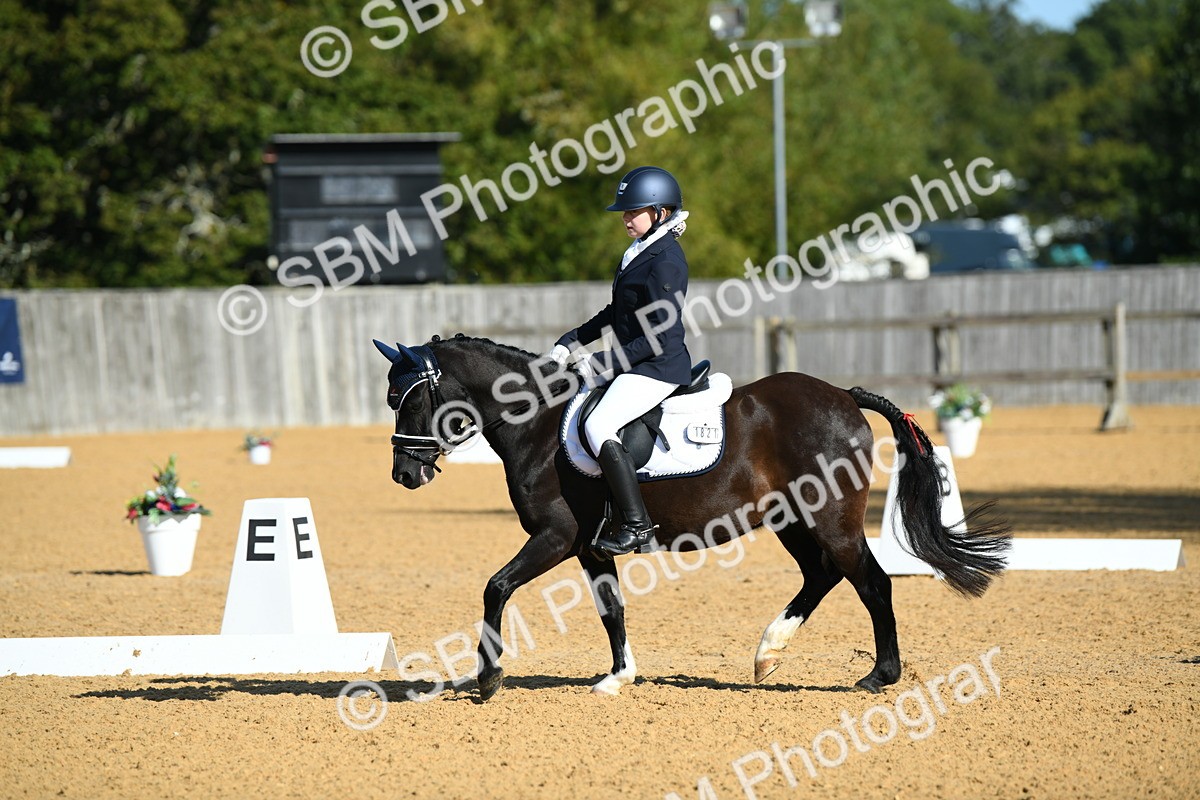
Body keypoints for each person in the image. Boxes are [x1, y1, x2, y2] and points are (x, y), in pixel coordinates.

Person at [547, 166, 692, 557]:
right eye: (625, 212)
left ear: (661, 212)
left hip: (657, 367)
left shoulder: (666, 262)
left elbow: (657, 336)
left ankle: (636, 524)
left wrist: (600, 363)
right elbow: (618, 312)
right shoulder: (641, 250)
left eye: (634, 211)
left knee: (598, 423)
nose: (626, 218)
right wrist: (572, 341)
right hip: (636, 362)